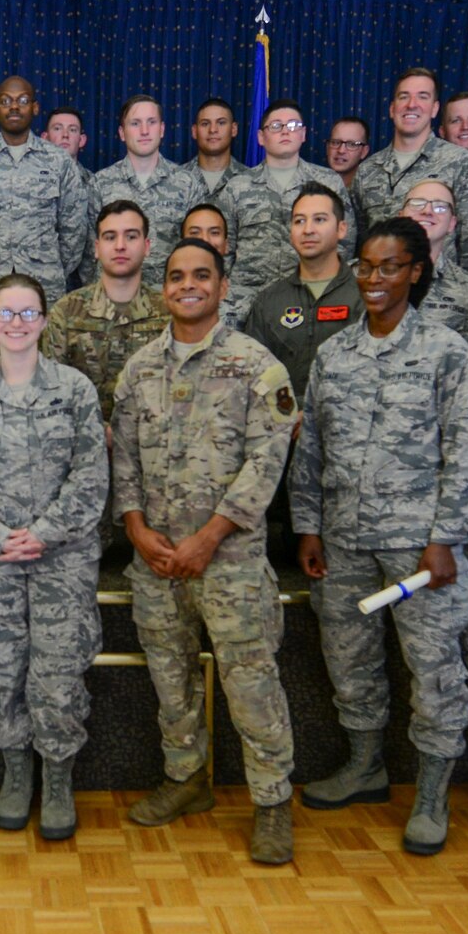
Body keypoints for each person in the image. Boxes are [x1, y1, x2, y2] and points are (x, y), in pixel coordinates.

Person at [290, 217, 468, 858]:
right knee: (350, 661)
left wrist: (447, 536)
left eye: (390, 267)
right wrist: (307, 525)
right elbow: (312, 448)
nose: (375, 280)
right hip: (345, 537)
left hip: (418, 544)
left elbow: (466, 449)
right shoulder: (335, 352)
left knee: (433, 670)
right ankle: (365, 766)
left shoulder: (445, 351)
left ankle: (433, 793)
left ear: (417, 271)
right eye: (367, 268)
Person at [112, 238, 300, 866]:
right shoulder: (139, 368)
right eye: (175, 276)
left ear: (223, 287)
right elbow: (124, 461)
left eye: (201, 275)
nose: (187, 285)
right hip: (157, 559)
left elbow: (267, 460)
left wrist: (210, 536)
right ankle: (187, 778)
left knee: (251, 687)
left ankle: (272, 802)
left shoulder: (257, 366)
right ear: (162, 288)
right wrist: (136, 529)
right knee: (171, 681)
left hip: (230, 561)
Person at [0, 273, 108, 840]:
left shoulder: (75, 391)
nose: (16, 323)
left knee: (59, 671)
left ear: (43, 320)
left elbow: (91, 474)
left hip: (63, 558)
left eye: (28, 313)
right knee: (3, 667)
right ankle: (17, 770)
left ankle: (58, 776)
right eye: (6, 313)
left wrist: (47, 530)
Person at [347, 68, 468, 276]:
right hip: (380, 288)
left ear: (435, 109)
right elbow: (360, 236)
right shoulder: (367, 170)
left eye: (422, 97)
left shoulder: (459, 162)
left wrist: (459, 288)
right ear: (392, 108)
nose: (412, 104)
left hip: (438, 293)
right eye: (404, 97)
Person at [0, 75, 94, 304]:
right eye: (5, 101)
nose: (13, 107)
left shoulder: (59, 161)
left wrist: (50, 265)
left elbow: (74, 228)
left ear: (35, 108)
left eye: (22, 101)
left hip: (45, 286)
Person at [43, 201, 168, 426]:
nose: (120, 246)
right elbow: (51, 392)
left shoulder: (169, 313)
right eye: (110, 237)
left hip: (151, 447)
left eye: (131, 236)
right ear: (97, 248)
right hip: (81, 445)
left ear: (147, 246)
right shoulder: (67, 311)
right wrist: (96, 433)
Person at [221, 99, 348, 315]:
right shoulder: (237, 187)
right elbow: (224, 248)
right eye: (276, 126)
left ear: (304, 134)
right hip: (246, 300)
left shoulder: (329, 183)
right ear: (261, 137)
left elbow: (345, 242)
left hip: (311, 295)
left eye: (293, 126)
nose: (285, 132)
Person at [240, 182, 364, 400]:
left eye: (320, 219)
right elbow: (254, 374)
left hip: (346, 423)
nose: (308, 229)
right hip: (281, 425)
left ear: (341, 229)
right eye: (299, 221)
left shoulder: (363, 297)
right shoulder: (270, 301)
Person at [91, 94, 201, 285]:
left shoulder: (187, 184)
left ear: (162, 129)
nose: (144, 131)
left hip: (168, 298)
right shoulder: (100, 184)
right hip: (114, 296)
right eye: (135, 123)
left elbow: (196, 248)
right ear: (122, 133)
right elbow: (88, 252)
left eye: (151, 122)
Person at [399, 179, 468, 349]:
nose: (427, 211)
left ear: (452, 224)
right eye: (417, 203)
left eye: (440, 207)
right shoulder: (363, 275)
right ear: (400, 216)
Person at [189, 98, 246, 202]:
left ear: (234, 129)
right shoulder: (175, 180)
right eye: (205, 124)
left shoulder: (251, 180)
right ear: (194, 131)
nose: (213, 130)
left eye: (221, 123)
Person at [323, 116, 372, 185]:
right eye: (336, 142)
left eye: (351, 144)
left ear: (364, 152)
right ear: (327, 148)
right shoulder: (312, 187)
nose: (341, 150)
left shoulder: (374, 189)